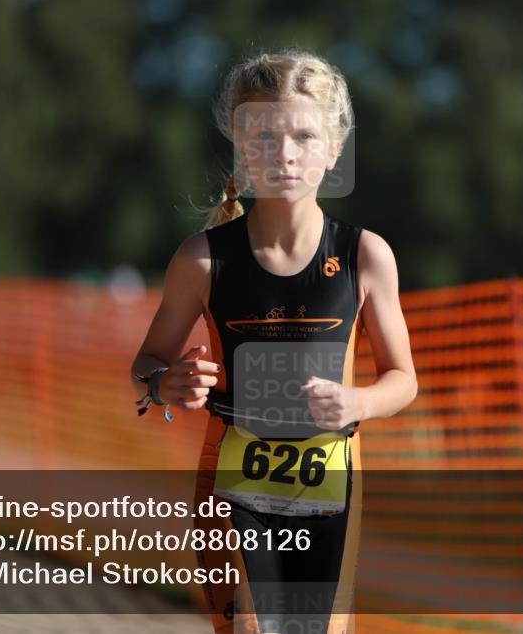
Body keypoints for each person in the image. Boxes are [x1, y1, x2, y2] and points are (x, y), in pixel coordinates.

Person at [131, 49, 417, 634]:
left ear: (335, 149)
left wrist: (358, 403)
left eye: (304, 136)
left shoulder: (365, 256)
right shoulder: (203, 259)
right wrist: (166, 383)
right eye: (263, 136)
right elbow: (146, 364)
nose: (284, 153)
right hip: (233, 472)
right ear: (241, 145)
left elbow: (403, 380)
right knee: (252, 628)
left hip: (331, 475)